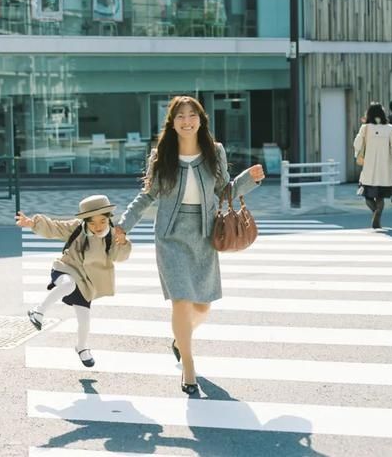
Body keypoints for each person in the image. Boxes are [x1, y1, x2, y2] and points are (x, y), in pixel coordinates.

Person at [113, 96, 264, 395]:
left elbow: (225, 190)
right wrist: (124, 225)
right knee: (181, 299)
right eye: (180, 116)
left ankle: (180, 339)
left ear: (200, 119)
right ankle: (189, 365)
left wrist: (249, 179)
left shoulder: (214, 151)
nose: (186, 120)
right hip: (170, 237)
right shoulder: (162, 154)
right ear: (172, 122)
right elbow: (147, 195)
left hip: (205, 233)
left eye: (191, 115)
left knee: (202, 306)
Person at [16, 195, 131, 368]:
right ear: (85, 221)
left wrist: (122, 243)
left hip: (86, 281)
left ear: (109, 217)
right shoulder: (77, 228)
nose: (97, 227)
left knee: (84, 319)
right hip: (66, 268)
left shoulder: (114, 234)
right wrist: (32, 223)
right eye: (92, 223)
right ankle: (38, 312)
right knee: (69, 284)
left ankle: (82, 348)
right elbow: (55, 227)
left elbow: (118, 257)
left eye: (102, 221)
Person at [353, 103, 392, 229]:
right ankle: (378, 213)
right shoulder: (389, 128)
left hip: (369, 169)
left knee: (367, 197)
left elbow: (357, 144)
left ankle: (376, 213)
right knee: (380, 197)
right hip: (385, 170)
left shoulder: (365, 128)